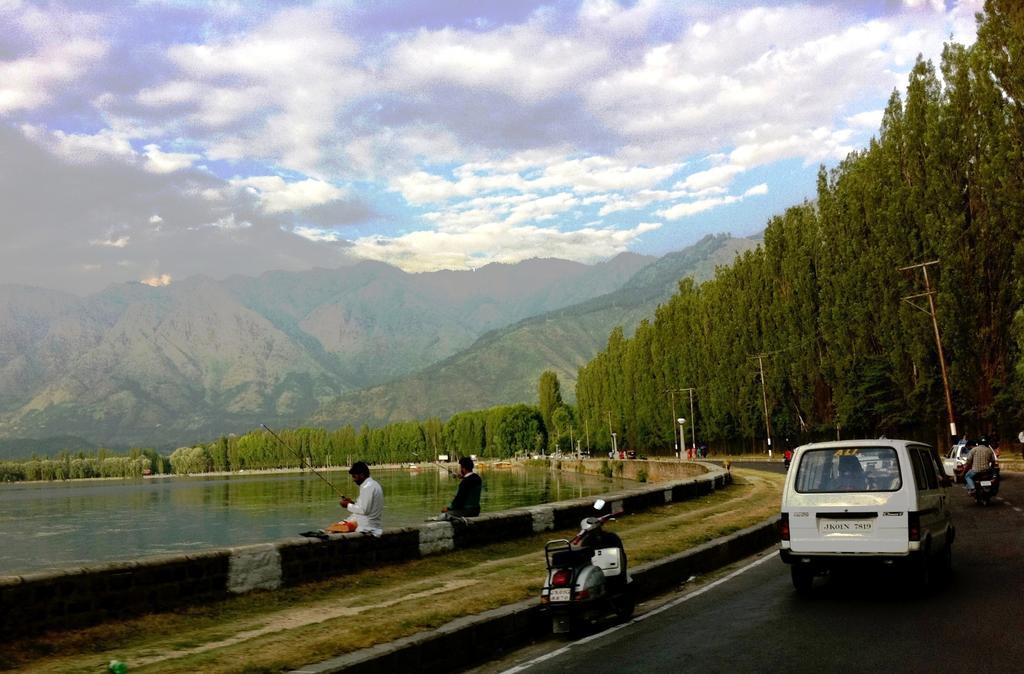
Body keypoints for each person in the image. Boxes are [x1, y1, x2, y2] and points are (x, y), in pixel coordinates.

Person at [325, 461, 384, 536]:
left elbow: (364, 510)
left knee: (332, 530)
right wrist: (352, 503)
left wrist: (347, 505)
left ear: (362, 475)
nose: (353, 480)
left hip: (366, 526)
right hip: (367, 523)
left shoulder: (368, 487)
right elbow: (366, 507)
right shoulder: (372, 484)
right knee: (333, 527)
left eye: (354, 476)